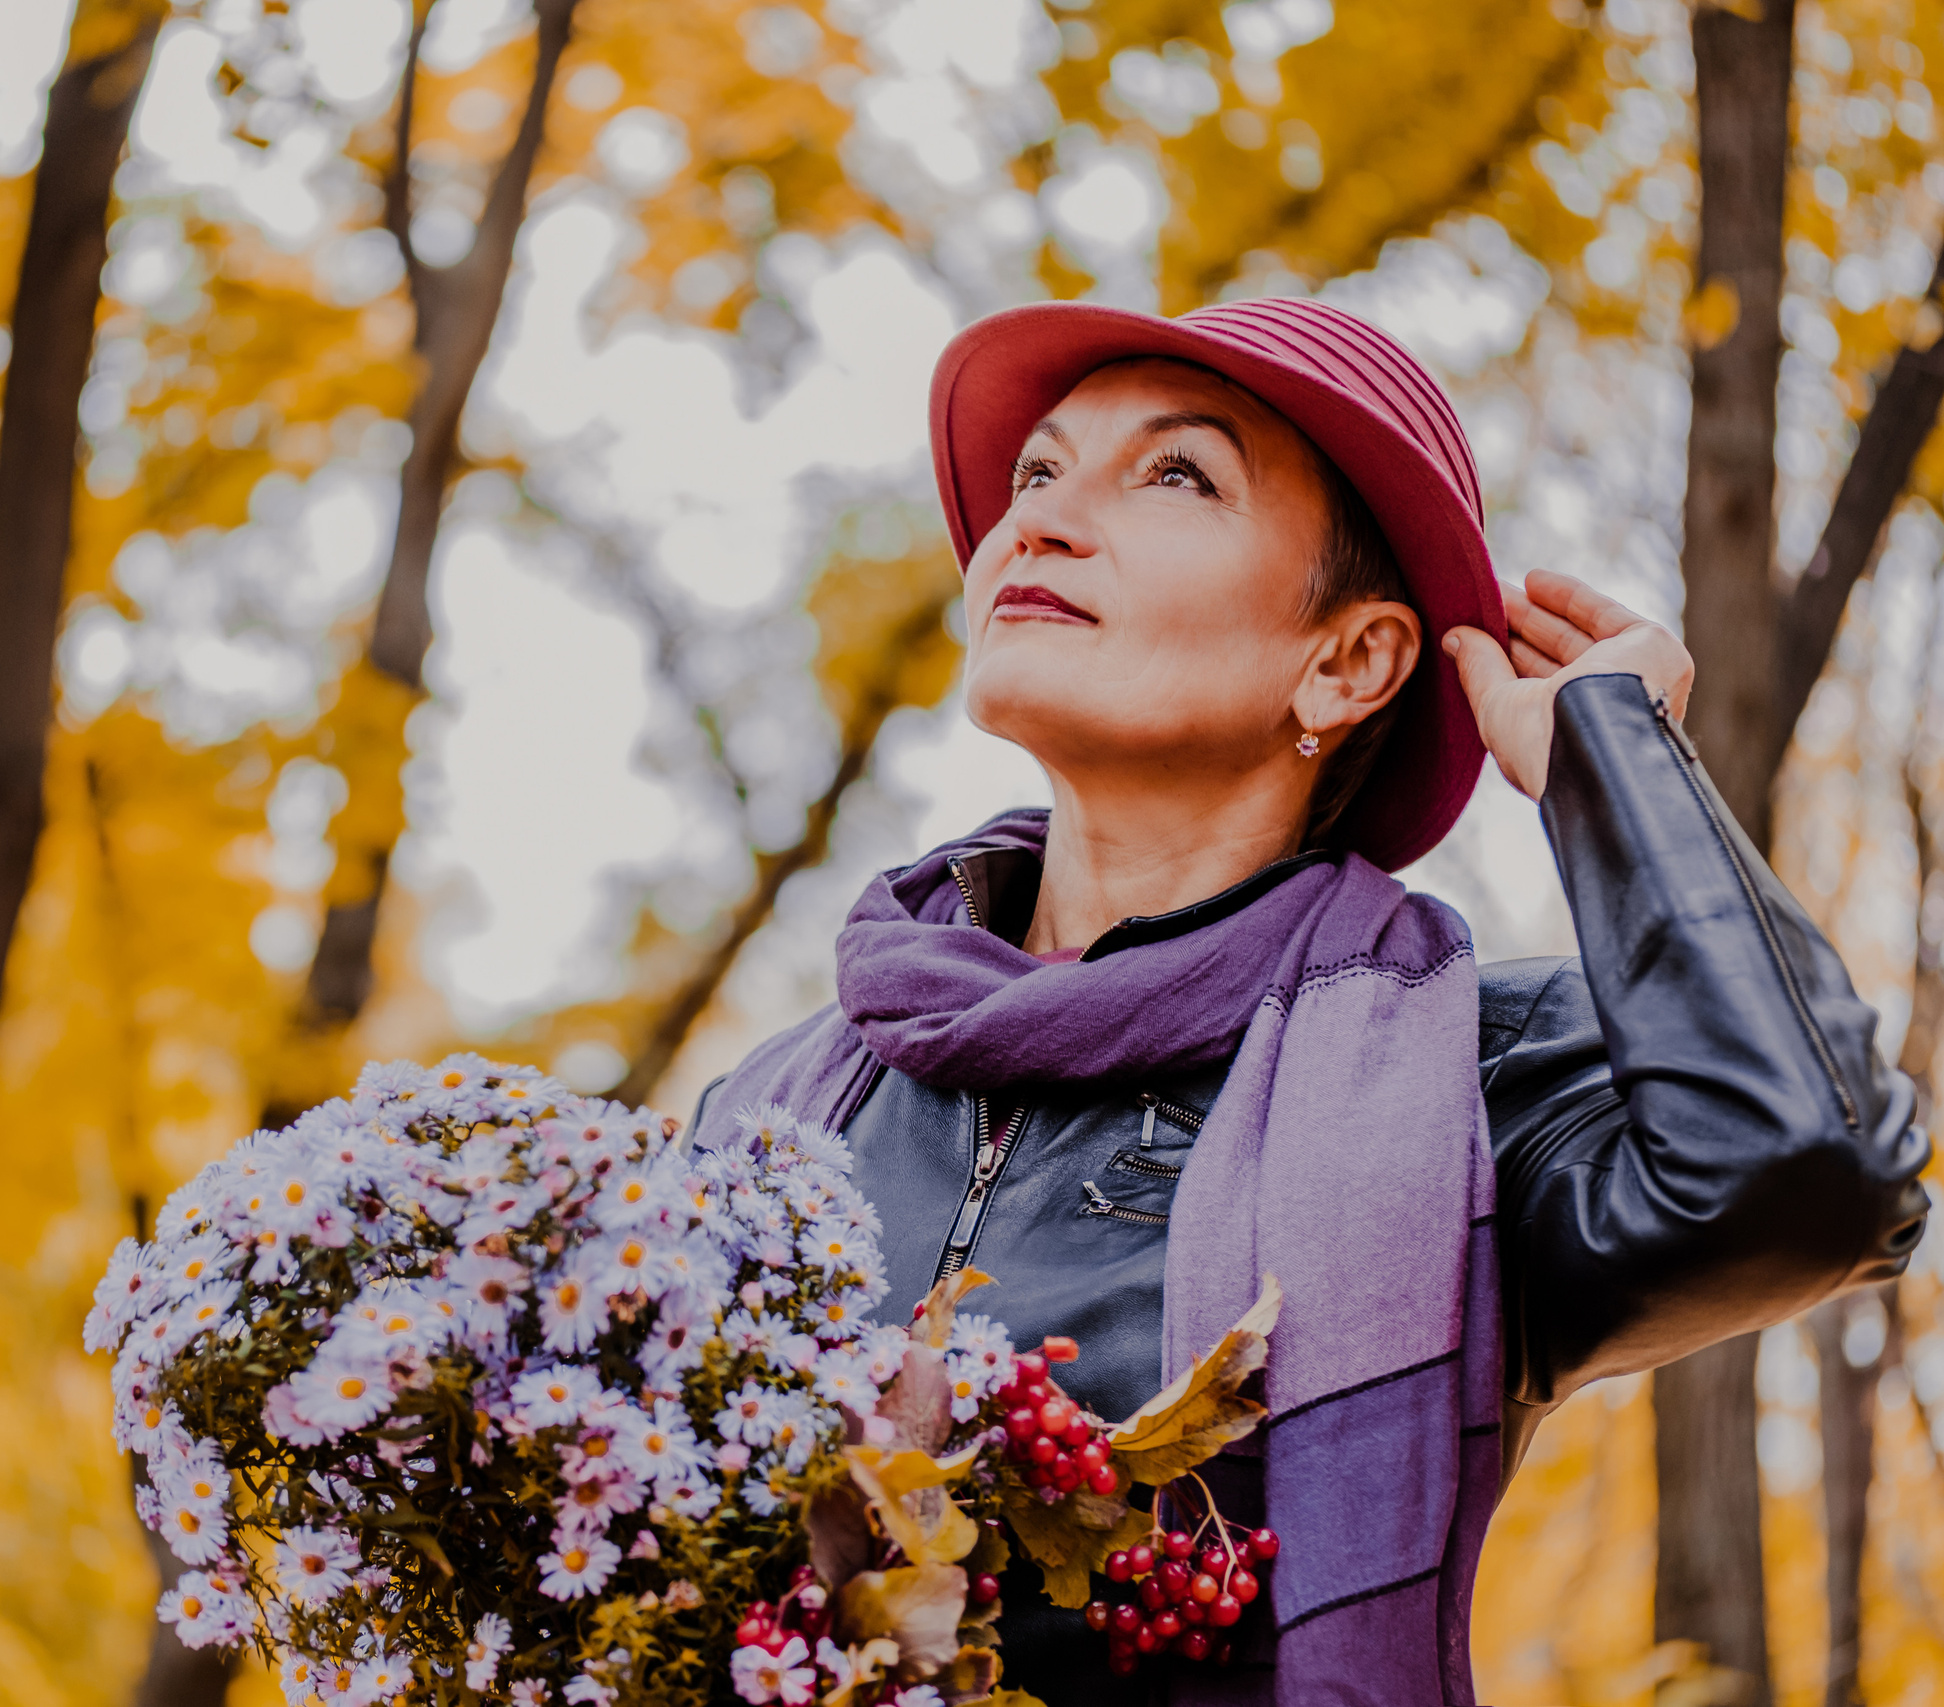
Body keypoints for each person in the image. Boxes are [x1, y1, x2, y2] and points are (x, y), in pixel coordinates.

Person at [690, 297, 1931, 1706]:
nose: (1037, 522)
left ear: (1349, 662)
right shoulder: (779, 1108)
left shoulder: (1471, 1075)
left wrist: (1611, 762)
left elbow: (1812, 1173)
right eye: (1038, 473)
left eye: (1175, 474)